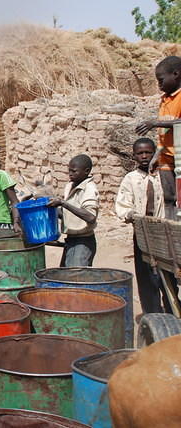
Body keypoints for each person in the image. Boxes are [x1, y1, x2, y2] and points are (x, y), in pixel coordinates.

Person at [115, 138, 170, 313]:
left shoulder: (164, 175)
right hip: (142, 234)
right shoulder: (131, 179)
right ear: (134, 156)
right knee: (146, 277)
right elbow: (123, 204)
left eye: (148, 152)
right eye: (140, 153)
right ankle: (153, 314)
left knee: (167, 276)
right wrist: (131, 215)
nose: (145, 156)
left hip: (164, 234)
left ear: (155, 154)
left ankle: (171, 312)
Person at [136, 56, 181, 219]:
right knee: (169, 198)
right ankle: (172, 232)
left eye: (161, 80)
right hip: (166, 157)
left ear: (175, 74)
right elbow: (163, 134)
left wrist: (154, 123)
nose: (159, 85)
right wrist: (157, 155)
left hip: (180, 157)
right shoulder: (164, 100)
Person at [48, 154, 99, 267]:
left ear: (86, 171)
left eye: (74, 171)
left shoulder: (89, 189)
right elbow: (69, 214)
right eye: (69, 171)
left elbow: (90, 217)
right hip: (71, 239)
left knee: (77, 277)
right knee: (67, 276)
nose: (70, 174)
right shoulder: (70, 186)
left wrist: (63, 203)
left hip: (83, 241)